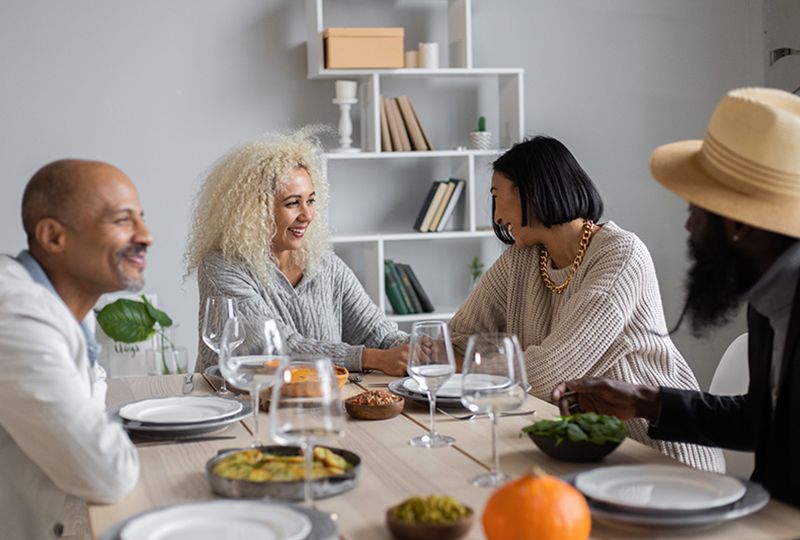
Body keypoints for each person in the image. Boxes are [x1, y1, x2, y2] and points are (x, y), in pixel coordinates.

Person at [552, 87, 800, 507]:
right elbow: (760, 422)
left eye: (695, 211)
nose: (688, 229)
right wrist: (644, 400)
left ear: (738, 225)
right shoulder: (767, 300)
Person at [448, 135, 723, 472]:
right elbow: (456, 339)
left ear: (531, 192)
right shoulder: (520, 260)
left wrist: (467, 364)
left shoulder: (620, 255)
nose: (495, 214)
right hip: (580, 449)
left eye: (495, 196)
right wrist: (466, 359)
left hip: (657, 454)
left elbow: (549, 373)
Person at [0, 159, 148, 537]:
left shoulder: (70, 311)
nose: (146, 236)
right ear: (52, 237)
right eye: (123, 220)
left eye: (141, 219)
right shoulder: (15, 315)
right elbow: (106, 473)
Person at [186, 129, 409, 375]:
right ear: (255, 210)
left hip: (313, 404)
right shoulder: (221, 267)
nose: (307, 215)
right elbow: (276, 348)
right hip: (234, 405)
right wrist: (371, 358)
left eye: (311, 201)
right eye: (293, 203)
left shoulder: (327, 266)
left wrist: (424, 349)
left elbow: (378, 333)